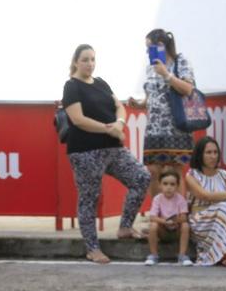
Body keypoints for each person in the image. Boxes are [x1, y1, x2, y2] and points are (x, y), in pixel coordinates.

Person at [61, 44, 151, 264]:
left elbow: (118, 106)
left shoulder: (101, 83)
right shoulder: (71, 86)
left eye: (92, 59)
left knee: (141, 177)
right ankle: (92, 248)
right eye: (85, 60)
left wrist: (119, 123)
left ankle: (125, 227)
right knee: (89, 198)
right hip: (86, 151)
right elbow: (78, 119)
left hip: (113, 148)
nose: (90, 64)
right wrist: (108, 128)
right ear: (75, 62)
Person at [138, 29, 196, 195]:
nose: (148, 52)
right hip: (154, 128)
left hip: (176, 126)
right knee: (152, 170)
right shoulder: (150, 68)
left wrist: (166, 74)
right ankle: (159, 211)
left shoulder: (181, 61)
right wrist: (140, 104)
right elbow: (151, 98)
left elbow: (188, 89)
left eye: (150, 47)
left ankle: (179, 212)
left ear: (161, 46)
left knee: (176, 170)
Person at [185, 135, 226, 267]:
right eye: (208, 152)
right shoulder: (192, 175)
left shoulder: (224, 175)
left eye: (215, 152)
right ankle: (224, 253)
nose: (213, 156)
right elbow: (206, 196)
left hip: (223, 218)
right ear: (200, 155)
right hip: (200, 220)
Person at [145, 169, 191, 267]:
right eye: (165, 184)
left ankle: (182, 255)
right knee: (153, 226)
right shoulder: (157, 199)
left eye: (172, 184)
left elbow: (184, 217)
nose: (168, 187)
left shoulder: (181, 199)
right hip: (163, 231)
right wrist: (164, 221)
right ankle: (154, 255)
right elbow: (152, 217)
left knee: (185, 225)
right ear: (160, 185)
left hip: (176, 230)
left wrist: (175, 221)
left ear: (177, 186)